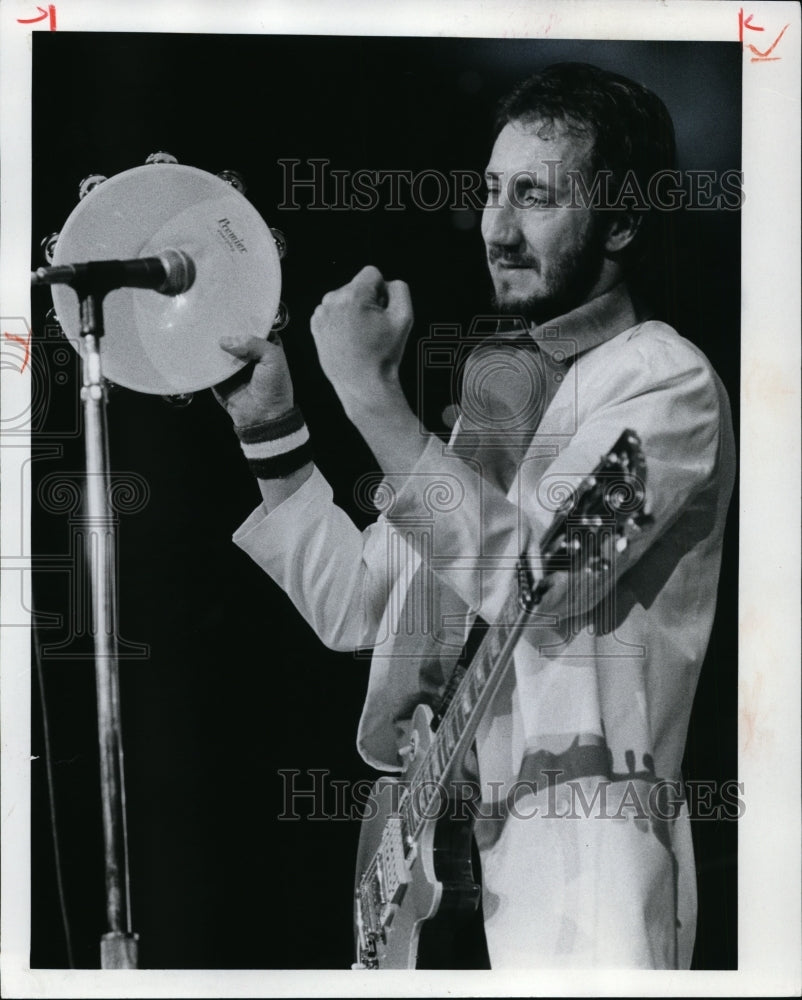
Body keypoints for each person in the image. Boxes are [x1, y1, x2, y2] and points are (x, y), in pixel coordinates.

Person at [214, 63, 735, 969]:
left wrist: (372, 401)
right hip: (440, 877)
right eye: (492, 191)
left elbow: (543, 577)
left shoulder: (666, 380)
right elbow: (358, 608)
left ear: (620, 221)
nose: (496, 228)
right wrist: (273, 427)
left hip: (586, 872)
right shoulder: (496, 404)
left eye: (534, 196)